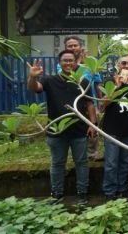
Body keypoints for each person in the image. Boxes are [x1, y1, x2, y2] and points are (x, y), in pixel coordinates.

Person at [27, 50, 96, 205]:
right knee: (57, 163)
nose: (68, 63)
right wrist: (32, 76)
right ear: (59, 63)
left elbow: (90, 104)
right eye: (65, 60)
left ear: (76, 63)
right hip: (56, 131)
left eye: (71, 60)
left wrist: (93, 124)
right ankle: (56, 195)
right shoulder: (49, 80)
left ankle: (82, 194)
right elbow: (34, 88)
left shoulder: (83, 82)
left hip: (79, 130)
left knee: (82, 163)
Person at [99, 54, 128, 201]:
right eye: (123, 63)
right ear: (118, 65)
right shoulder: (109, 81)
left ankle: (122, 189)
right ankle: (109, 191)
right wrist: (117, 87)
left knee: (125, 162)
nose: (126, 66)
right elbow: (102, 106)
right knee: (111, 162)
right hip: (112, 130)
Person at [58, 35, 103, 160]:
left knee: (92, 128)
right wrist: (80, 65)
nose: (73, 48)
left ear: (80, 47)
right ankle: (76, 154)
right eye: (69, 46)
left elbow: (97, 82)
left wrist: (101, 100)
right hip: (72, 104)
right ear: (65, 48)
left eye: (75, 45)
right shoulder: (62, 65)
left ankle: (93, 154)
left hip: (89, 102)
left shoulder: (91, 63)